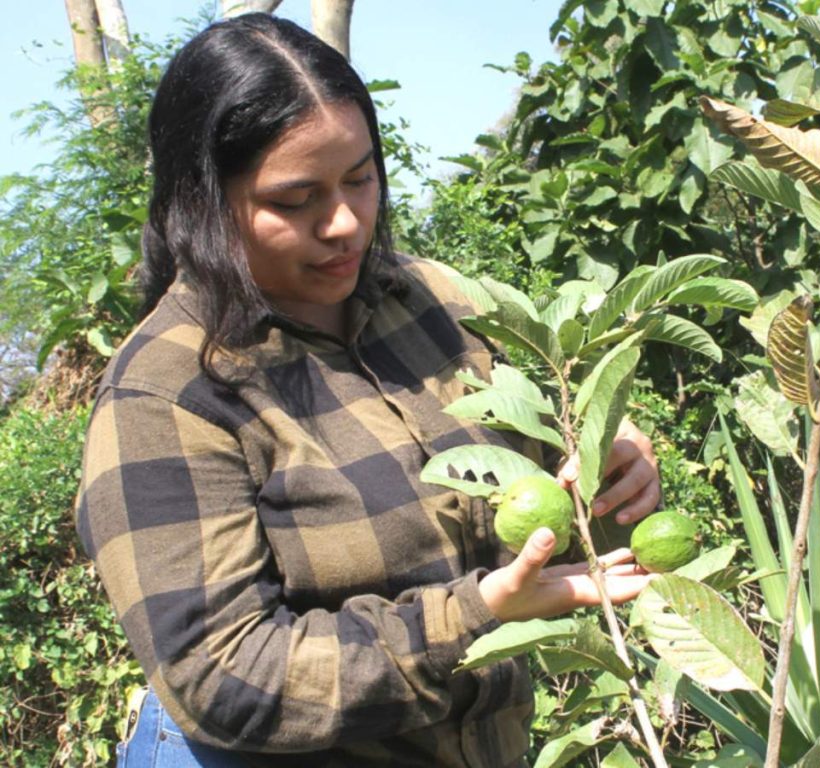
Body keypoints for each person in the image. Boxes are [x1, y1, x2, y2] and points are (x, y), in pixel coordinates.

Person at [75, 12, 661, 768]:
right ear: (204, 203)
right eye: (295, 201)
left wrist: (609, 454)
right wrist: (471, 616)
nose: (346, 221)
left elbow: (543, 481)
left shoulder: (436, 300)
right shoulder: (167, 394)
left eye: (360, 178)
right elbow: (221, 675)